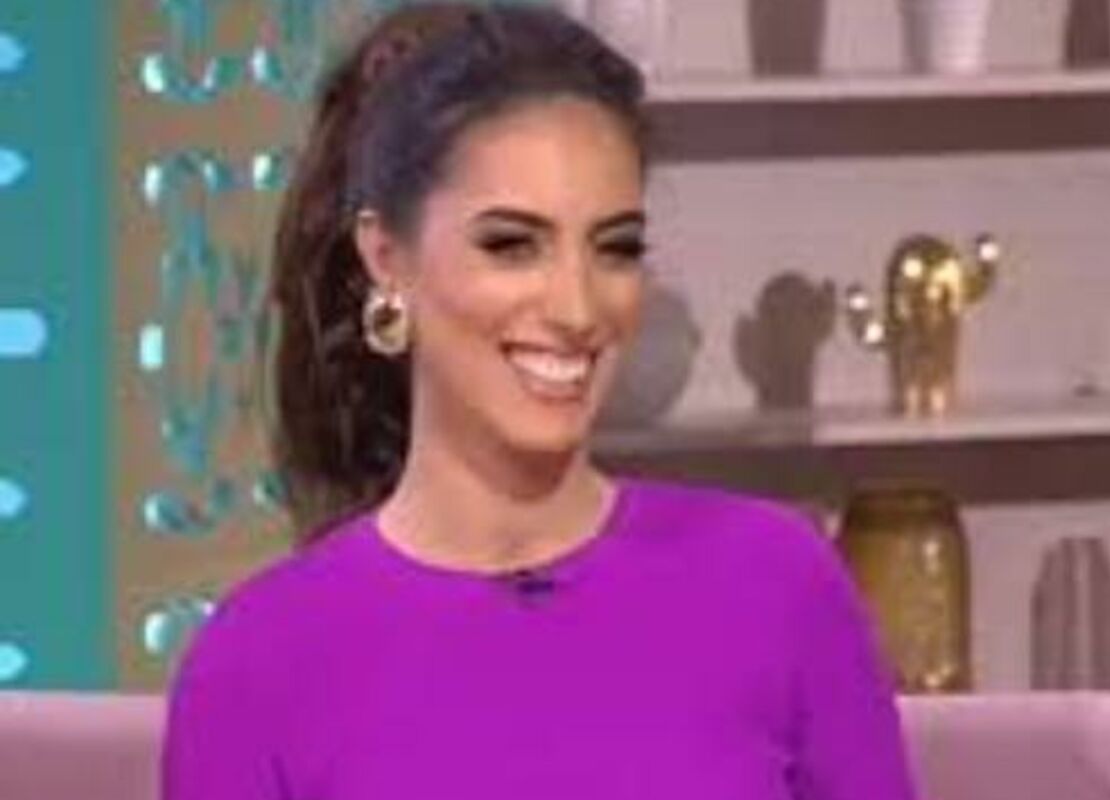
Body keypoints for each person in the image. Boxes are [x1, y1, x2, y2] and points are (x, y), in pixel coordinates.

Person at [161, 4, 917, 799]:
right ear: (386, 258)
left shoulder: (775, 583)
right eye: (512, 245)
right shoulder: (257, 663)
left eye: (615, 249)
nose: (578, 309)